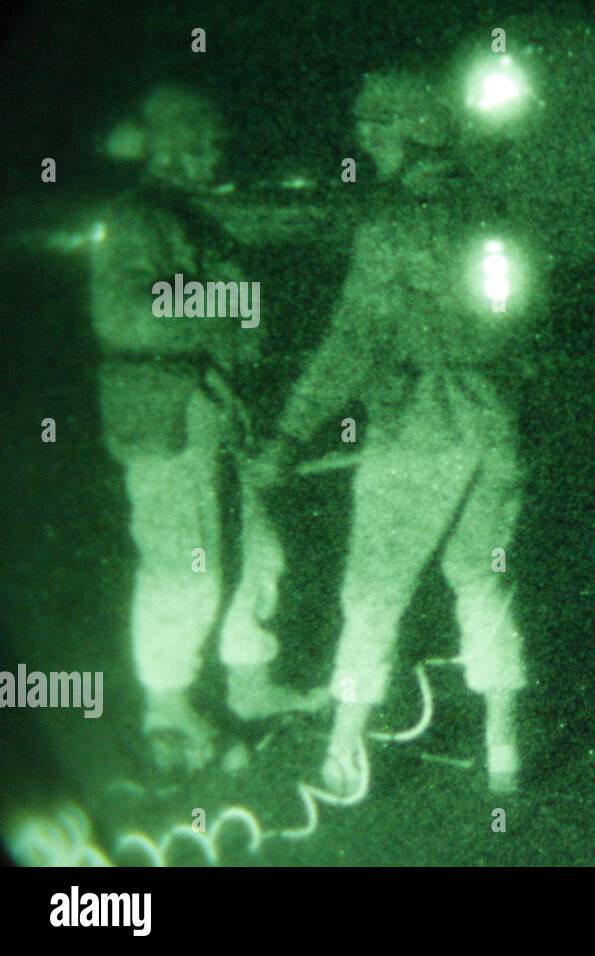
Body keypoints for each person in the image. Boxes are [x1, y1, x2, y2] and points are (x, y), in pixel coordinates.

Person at [256, 68, 535, 795]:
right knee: (483, 580)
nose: (366, 140)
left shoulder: (390, 226)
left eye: (378, 126)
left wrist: (289, 435)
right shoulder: (495, 213)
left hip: (422, 417)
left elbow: (351, 341)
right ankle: (502, 745)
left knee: (375, 588)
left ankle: (343, 754)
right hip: (496, 414)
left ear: (412, 134)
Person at [93, 84, 323, 772]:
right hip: (165, 407)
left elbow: (241, 317)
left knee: (259, 554)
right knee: (184, 565)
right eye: (199, 141)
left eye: (215, 142)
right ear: (165, 145)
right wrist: (234, 301)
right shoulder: (136, 218)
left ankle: (251, 684)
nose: (212, 154)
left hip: (214, 404)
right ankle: (168, 707)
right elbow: (126, 316)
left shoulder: (196, 216)